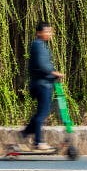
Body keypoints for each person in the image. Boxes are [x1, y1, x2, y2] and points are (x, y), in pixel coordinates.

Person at [19, 21, 64, 150]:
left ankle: (25, 133)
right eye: (47, 31)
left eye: (50, 31)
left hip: (44, 84)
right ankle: (38, 142)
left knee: (42, 112)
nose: (50, 34)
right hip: (41, 85)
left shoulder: (41, 45)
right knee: (42, 113)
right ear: (39, 33)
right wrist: (55, 73)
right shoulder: (38, 45)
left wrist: (53, 75)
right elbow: (41, 64)